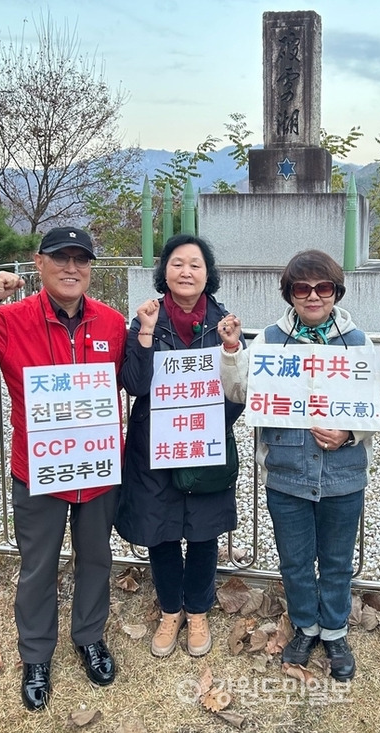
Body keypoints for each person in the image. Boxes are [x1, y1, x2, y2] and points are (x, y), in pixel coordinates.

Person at [0, 227, 127, 711]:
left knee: (97, 560)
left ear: (90, 269)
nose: (71, 268)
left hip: (98, 469)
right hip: (38, 469)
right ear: (37, 263)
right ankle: (36, 656)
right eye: (60, 258)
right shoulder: (11, 319)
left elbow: (137, 377)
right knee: (38, 566)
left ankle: (88, 638)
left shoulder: (110, 322)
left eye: (80, 260)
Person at [218, 249, 380, 682]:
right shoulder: (271, 342)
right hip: (286, 471)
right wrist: (230, 350)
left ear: (336, 291)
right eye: (303, 288)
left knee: (335, 560)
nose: (313, 296)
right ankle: (306, 626)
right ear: (289, 294)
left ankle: (334, 631)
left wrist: (349, 433)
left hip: (343, 474)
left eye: (324, 287)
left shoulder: (357, 343)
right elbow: (241, 391)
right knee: (295, 560)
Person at [114, 233, 244, 659]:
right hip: (153, 446)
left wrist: (231, 350)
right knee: (162, 531)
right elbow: (134, 384)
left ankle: (199, 610)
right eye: (177, 263)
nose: (186, 271)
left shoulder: (225, 323)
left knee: (204, 532)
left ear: (209, 274)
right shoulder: (147, 321)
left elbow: (238, 394)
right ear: (164, 272)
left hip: (204, 446)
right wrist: (147, 336)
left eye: (195, 264)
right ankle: (171, 609)